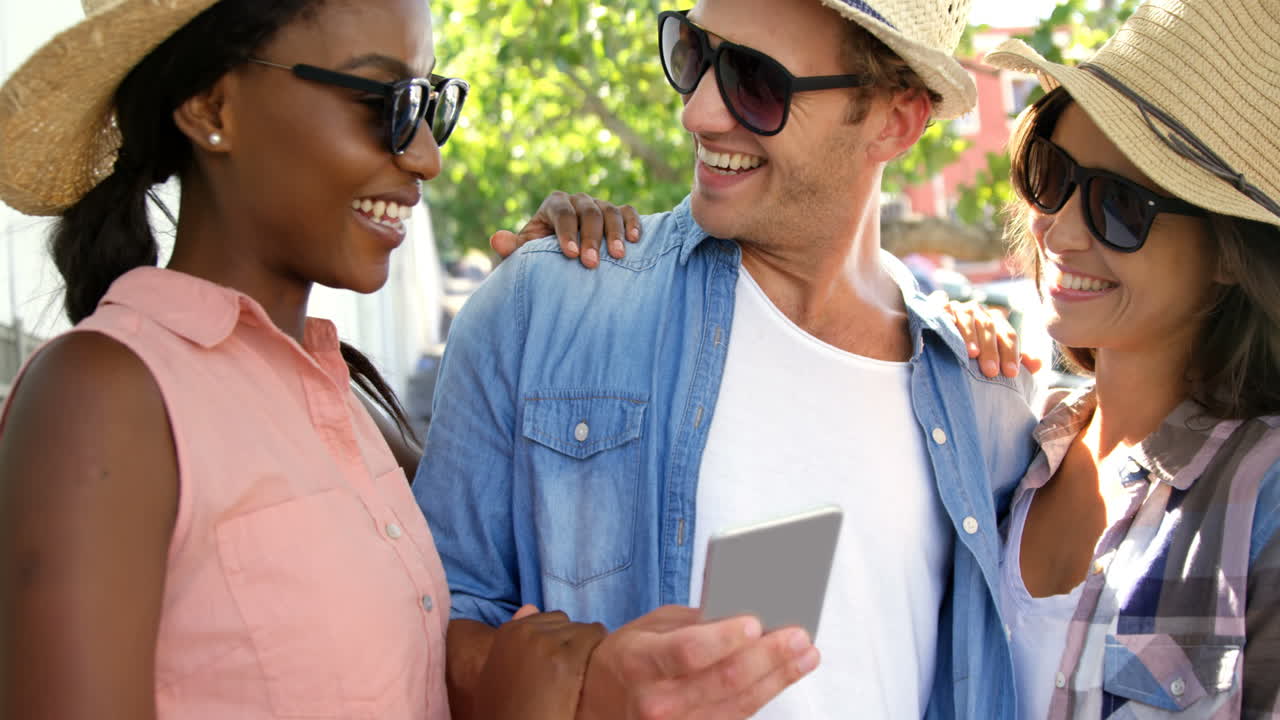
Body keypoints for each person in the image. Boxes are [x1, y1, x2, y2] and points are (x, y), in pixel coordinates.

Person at [0, 1, 735, 718]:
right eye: (384, 101)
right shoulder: (105, 400)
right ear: (213, 109)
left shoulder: (349, 401)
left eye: (429, 105)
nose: (426, 155)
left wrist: (556, 297)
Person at [415, 0, 1044, 717]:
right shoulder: (543, 308)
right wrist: (585, 690)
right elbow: (420, 626)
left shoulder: (985, 398)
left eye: (755, 81)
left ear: (894, 121)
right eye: (694, 53)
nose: (699, 113)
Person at [974, 1, 1280, 715]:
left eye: (1120, 205)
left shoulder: (1263, 497)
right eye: (1052, 174)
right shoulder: (1003, 446)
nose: (1061, 231)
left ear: (1230, 254)